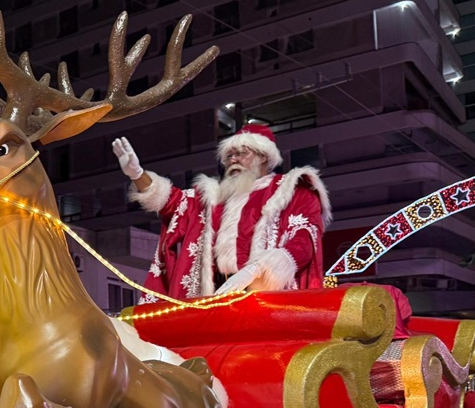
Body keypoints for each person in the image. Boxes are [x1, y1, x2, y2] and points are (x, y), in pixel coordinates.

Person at [114, 124, 330, 300]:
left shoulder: (292, 189)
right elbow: (170, 201)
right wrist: (138, 174)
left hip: (265, 294)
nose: (233, 160)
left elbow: (303, 241)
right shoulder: (211, 198)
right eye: (229, 156)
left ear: (264, 156)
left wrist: (255, 270)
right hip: (215, 295)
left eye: (241, 153)